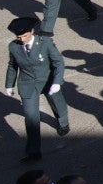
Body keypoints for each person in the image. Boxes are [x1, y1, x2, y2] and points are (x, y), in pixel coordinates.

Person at [4, 15, 69, 162]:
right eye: (19, 37)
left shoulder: (45, 43)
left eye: (25, 36)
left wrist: (57, 82)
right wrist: (9, 84)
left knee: (57, 102)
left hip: (47, 80)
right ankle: (34, 151)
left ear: (32, 31)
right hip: (27, 84)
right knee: (31, 118)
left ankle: (63, 122)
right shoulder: (14, 46)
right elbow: (12, 66)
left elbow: (58, 62)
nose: (22, 40)